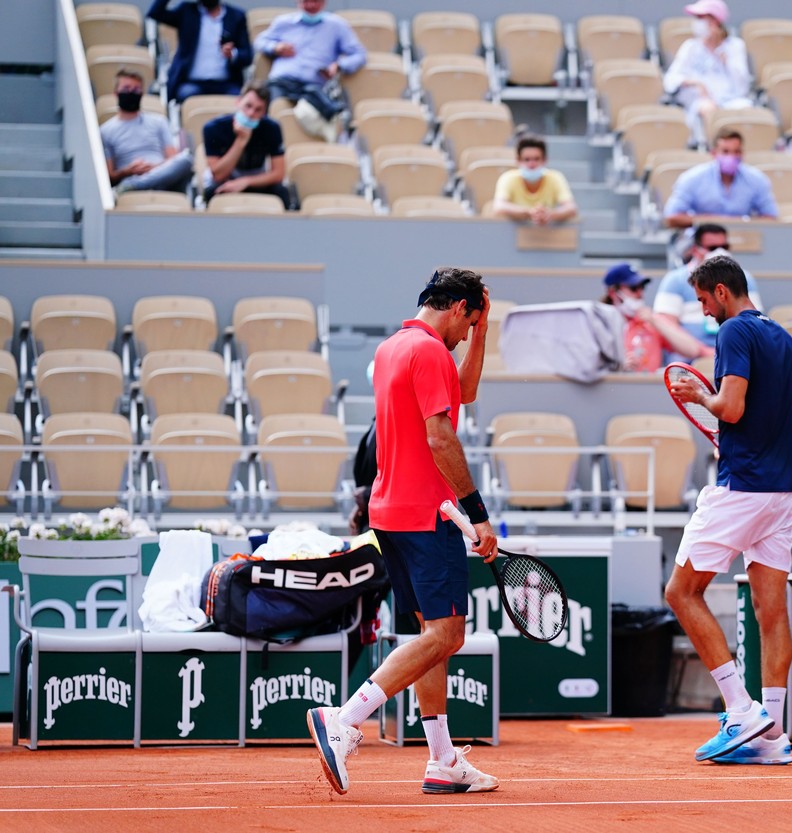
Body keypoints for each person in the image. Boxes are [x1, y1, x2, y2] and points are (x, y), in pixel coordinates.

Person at [307, 267, 501, 796]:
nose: (465, 337)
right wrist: (477, 513)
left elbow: (463, 391)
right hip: (425, 513)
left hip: (389, 510)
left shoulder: (396, 347)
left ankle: (442, 759)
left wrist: (481, 333)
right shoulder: (432, 352)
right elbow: (442, 438)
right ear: (458, 307)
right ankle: (343, 722)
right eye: (470, 324)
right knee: (448, 634)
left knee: (430, 636)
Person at [665, 254, 792, 766]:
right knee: (771, 613)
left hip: (742, 488)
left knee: (681, 592)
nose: (704, 311)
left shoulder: (732, 334)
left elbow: (729, 406)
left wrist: (700, 395)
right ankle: (772, 739)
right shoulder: (782, 336)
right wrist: (756, 438)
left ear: (723, 292)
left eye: (705, 300)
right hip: (781, 493)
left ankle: (741, 709)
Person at [254, 0, 367, 143]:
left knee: (333, 114)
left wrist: (338, 65)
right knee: (272, 115)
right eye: (306, 1)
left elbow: (359, 54)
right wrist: (275, 47)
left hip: (316, 86)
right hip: (281, 83)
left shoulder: (337, 25)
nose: (311, 5)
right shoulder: (283, 22)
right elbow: (259, 41)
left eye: (315, 1)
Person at [653, 223, 764, 362]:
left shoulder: (744, 278)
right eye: (712, 248)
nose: (720, 252)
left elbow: (754, 322)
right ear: (695, 249)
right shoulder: (674, 280)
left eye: (724, 247)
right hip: (688, 359)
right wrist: (702, 351)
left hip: (734, 354)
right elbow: (665, 325)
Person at [662, 0, 752, 142]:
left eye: (701, 18)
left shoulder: (735, 46)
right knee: (708, 108)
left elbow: (743, 86)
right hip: (699, 101)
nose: (698, 23)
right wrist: (696, 83)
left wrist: (726, 60)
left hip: (730, 100)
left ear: (715, 21)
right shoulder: (690, 47)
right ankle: (715, 147)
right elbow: (670, 79)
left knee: (748, 109)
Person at [101, 69, 194, 195]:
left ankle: (134, 186)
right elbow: (110, 175)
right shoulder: (105, 130)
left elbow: (172, 158)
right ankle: (134, 185)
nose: (131, 92)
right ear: (116, 93)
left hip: (161, 174)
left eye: (136, 89)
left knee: (186, 160)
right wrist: (128, 171)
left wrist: (154, 168)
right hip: (130, 176)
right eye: (126, 88)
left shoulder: (159, 121)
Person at [664, 128, 778, 229]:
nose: (731, 156)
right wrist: (710, 222)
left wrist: (740, 224)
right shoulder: (692, 178)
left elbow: (771, 218)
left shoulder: (757, 179)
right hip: (703, 238)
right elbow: (672, 217)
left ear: (742, 154)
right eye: (725, 151)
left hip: (743, 239)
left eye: (736, 152)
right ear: (714, 153)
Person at [202, 83, 290, 207]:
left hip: (255, 180)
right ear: (238, 102)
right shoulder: (214, 128)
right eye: (248, 106)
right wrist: (240, 141)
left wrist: (245, 182)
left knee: (281, 191)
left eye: (258, 110)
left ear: (264, 113)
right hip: (226, 180)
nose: (250, 113)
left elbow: (279, 173)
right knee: (212, 191)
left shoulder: (272, 128)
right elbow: (218, 175)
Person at [147, 0, 252, 102]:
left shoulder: (236, 16)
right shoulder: (187, 11)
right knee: (186, 95)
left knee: (240, 101)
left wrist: (233, 54)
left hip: (227, 83)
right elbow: (155, 13)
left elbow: (247, 56)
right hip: (192, 83)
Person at [492, 135, 579, 225]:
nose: (531, 164)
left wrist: (550, 214)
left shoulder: (556, 177)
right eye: (526, 159)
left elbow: (571, 208)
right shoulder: (508, 178)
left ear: (544, 160)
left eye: (536, 159)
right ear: (518, 160)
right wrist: (529, 212)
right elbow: (499, 207)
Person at [600, 263, 670, 373]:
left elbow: (693, 349)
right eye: (633, 288)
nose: (640, 293)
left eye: (642, 287)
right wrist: (617, 366)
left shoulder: (649, 321)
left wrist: (654, 321)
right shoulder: (599, 324)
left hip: (647, 388)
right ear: (613, 293)